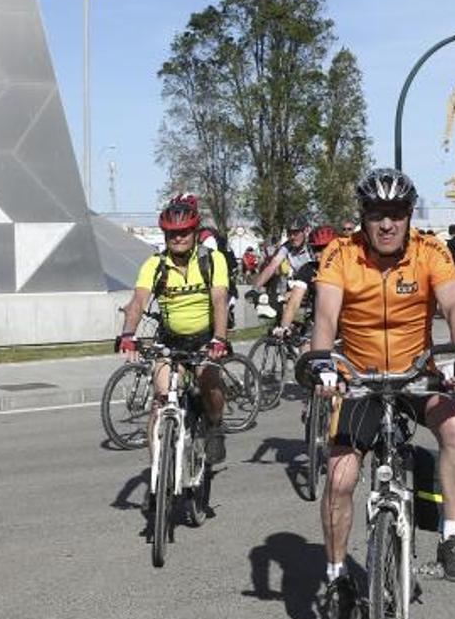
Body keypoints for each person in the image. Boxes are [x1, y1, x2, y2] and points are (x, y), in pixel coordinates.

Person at [312, 168, 455, 619]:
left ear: (409, 216)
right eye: (377, 215)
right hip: (360, 377)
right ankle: (337, 573)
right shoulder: (339, 253)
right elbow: (325, 316)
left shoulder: (431, 250)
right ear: (362, 218)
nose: (387, 225)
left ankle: (453, 538)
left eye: (397, 215)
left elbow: (454, 306)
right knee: (341, 479)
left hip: (416, 373)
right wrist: (323, 362)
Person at [118, 196, 231, 466]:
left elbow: (219, 301)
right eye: (173, 233)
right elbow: (138, 301)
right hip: (170, 341)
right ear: (165, 234)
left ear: (194, 232)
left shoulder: (212, 260)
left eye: (184, 232)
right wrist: (128, 335)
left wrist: (219, 338)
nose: (179, 237)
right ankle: (159, 475)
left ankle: (214, 426)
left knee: (210, 384)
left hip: (205, 339)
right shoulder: (155, 265)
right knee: (160, 402)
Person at [273, 224, 338, 344]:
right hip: (316, 325)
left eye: (325, 248)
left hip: (344, 325)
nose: (320, 253)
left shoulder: (346, 268)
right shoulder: (308, 269)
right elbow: (294, 302)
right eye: (316, 249)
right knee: (306, 354)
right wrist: (284, 327)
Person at [251, 218, 314, 301]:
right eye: (289, 233)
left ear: (305, 231)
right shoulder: (287, 247)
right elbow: (271, 267)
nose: (292, 237)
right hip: (300, 285)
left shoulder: (312, 247)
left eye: (295, 233)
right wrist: (255, 289)